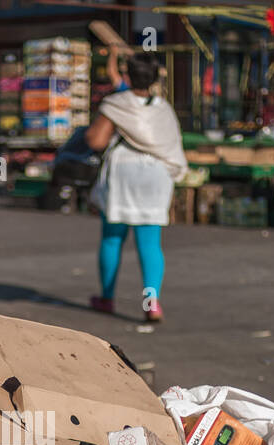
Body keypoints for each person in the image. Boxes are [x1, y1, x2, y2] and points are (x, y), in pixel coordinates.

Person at [84, 54, 187, 323]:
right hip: (156, 174)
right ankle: (151, 303)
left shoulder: (117, 103)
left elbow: (95, 140)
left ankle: (107, 297)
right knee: (150, 242)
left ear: (127, 76)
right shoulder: (164, 108)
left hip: (124, 173)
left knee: (112, 238)